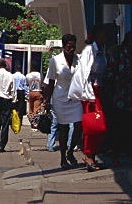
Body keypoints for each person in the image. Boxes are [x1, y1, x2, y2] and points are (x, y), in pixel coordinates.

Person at [104, 31, 132, 162]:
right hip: (120, 98)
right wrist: (119, 79)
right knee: (119, 128)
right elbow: (109, 74)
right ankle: (116, 155)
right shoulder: (118, 56)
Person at [70, 25, 109, 171]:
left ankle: (93, 153)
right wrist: (89, 95)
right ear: (98, 34)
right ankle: (88, 155)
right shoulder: (89, 51)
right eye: (104, 34)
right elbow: (83, 74)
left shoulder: (102, 51)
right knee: (93, 125)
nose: (107, 37)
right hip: (91, 93)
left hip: (100, 90)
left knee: (100, 125)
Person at [43, 34, 84, 170]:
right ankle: (62, 158)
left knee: (79, 126)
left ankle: (71, 150)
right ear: (63, 47)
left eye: (73, 47)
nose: (71, 49)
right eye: (69, 47)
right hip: (60, 98)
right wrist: (47, 101)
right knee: (64, 128)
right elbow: (50, 82)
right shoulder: (55, 61)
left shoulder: (79, 59)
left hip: (75, 98)